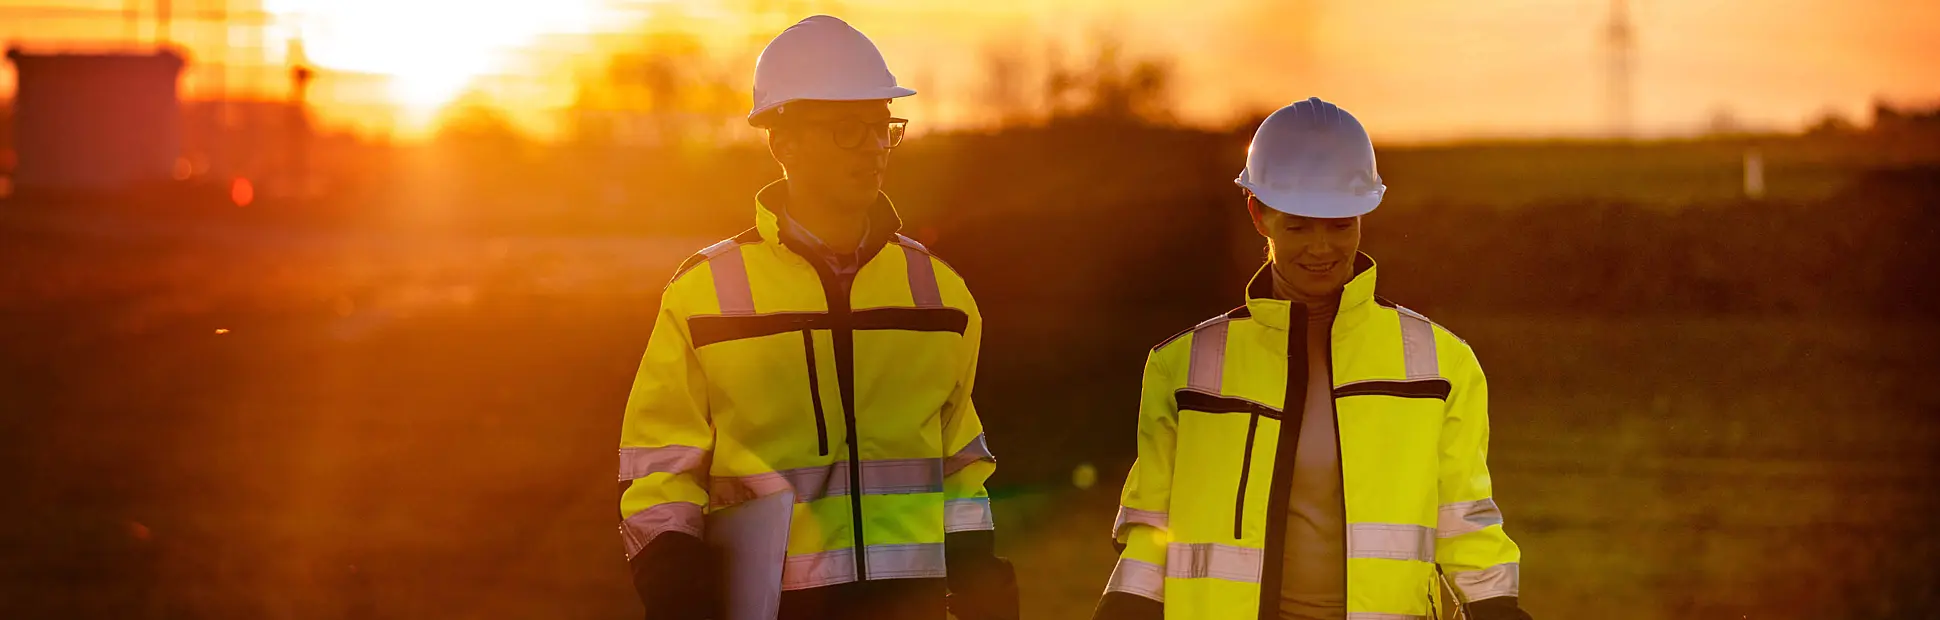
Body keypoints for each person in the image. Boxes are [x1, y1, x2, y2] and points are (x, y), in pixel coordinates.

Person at [617, 15, 1016, 620]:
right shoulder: (704, 294)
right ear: (783, 142)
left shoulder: (939, 294)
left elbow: (958, 460)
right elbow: (659, 468)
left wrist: (978, 569)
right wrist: (673, 578)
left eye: (884, 127)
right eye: (849, 130)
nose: (875, 149)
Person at [1091, 98, 1532, 620]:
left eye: (1341, 225)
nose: (1322, 248)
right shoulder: (1184, 367)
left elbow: (1465, 517)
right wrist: (1124, 606)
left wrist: (1497, 606)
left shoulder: (1440, 365)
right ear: (1259, 214)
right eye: (1299, 226)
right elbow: (1152, 525)